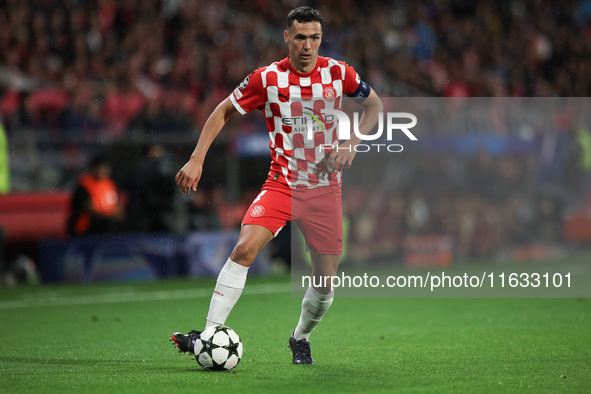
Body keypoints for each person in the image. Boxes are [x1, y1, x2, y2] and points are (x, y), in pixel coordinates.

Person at [171, 6, 382, 365]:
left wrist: (352, 142)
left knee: (326, 282)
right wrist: (197, 158)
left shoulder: (338, 72)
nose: (307, 45)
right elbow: (222, 110)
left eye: (314, 37)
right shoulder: (266, 79)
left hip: (324, 189)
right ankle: (208, 334)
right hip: (282, 184)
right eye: (300, 37)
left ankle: (300, 337)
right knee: (244, 249)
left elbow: (374, 105)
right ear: (286, 36)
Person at [67, 155, 124, 236]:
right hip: (87, 225)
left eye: (106, 168)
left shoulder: (110, 184)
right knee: (109, 224)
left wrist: (120, 216)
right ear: (93, 169)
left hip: (107, 221)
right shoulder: (84, 185)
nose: (104, 171)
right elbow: (90, 210)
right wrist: (111, 216)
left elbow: (117, 206)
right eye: (101, 168)